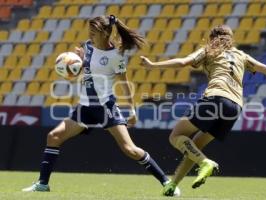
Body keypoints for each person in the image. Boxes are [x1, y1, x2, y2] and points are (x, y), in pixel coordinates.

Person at [140, 25, 266, 196]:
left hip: (216, 98)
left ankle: (205, 163)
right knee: (195, 146)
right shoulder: (241, 55)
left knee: (176, 136)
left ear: (211, 38)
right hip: (235, 107)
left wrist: (153, 65)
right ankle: (173, 184)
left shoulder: (209, 50)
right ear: (231, 39)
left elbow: (182, 62)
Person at [22, 15, 173, 192]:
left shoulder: (116, 56)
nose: (90, 35)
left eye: (94, 32)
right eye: (90, 31)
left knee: (130, 149)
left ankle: (167, 182)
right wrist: (76, 63)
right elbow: (87, 71)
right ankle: (42, 184)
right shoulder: (87, 46)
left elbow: (124, 84)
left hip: (105, 107)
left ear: (105, 33)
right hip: (85, 108)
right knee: (54, 137)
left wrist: (131, 111)